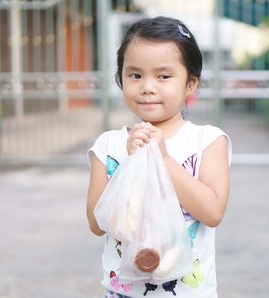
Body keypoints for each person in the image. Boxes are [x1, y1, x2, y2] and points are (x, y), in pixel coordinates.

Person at [86, 16, 232, 298]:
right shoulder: (109, 145)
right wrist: (130, 163)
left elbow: (212, 213)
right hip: (122, 293)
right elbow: (96, 224)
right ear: (121, 78)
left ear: (190, 84)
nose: (148, 86)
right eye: (135, 75)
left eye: (163, 76)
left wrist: (162, 159)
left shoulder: (207, 141)